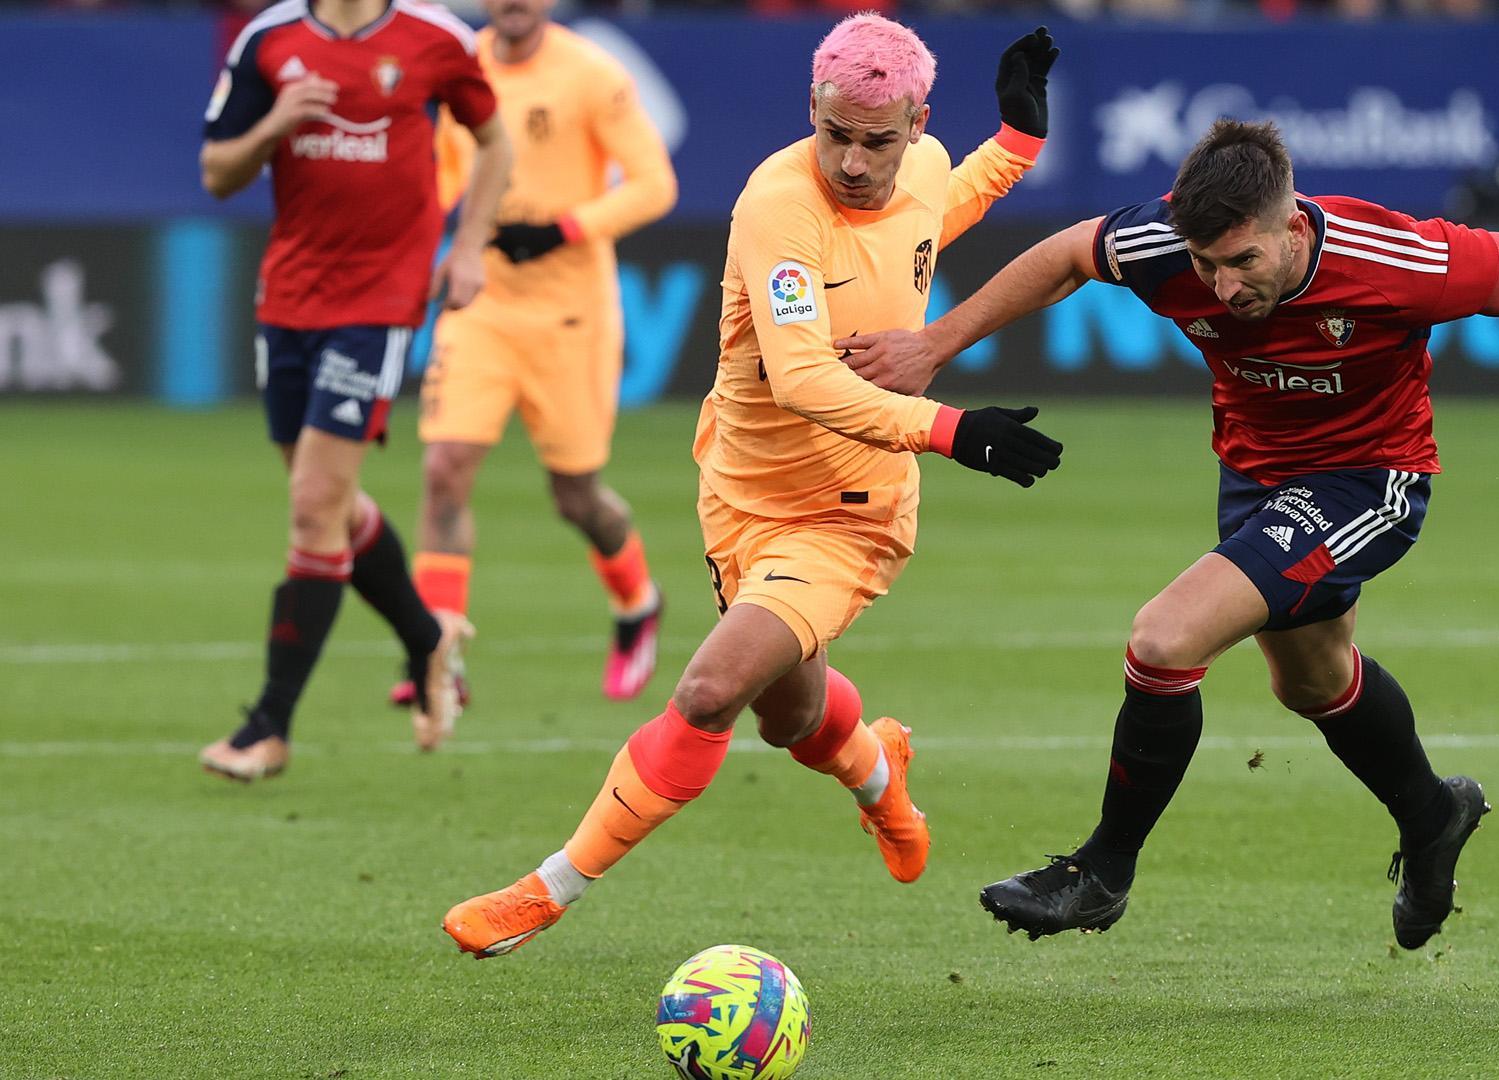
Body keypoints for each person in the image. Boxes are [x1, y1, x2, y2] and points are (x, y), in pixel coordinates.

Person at [837, 119, 1499, 949]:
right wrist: (935, 342)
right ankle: (1432, 812)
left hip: (1373, 482)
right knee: (1313, 682)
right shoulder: (1167, 246)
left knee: (1163, 638)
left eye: (1241, 262)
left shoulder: (1404, 260)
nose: (1223, 288)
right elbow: (1066, 255)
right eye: (1204, 264)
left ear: (1291, 226)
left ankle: (1100, 871)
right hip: (1257, 482)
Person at [441, 15, 1065, 958]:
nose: (854, 163)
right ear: (811, 109)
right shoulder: (778, 205)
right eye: (836, 135)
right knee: (794, 716)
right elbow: (804, 379)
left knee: (708, 691)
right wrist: (953, 430)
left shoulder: (922, 163)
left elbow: (946, 196)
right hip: (742, 496)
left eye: (880, 141)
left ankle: (548, 890)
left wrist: (1020, 138)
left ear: (917, 123)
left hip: (849, 514)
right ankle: (879, 773)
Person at [196, 0, 513, 778]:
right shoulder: (269, 40)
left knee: (312, 508)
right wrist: (276, 125)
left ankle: (267, 729)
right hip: (289, 298)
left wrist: (468, 247)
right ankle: (429, 638)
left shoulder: (436, 38)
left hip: (379, 304)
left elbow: (495, 141)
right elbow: (215, 173)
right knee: (329, 504)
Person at [398, 0, 679, 708]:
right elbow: (443, 176)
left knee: (576, 496)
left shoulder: (591, 74)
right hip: (484, 300)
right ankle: (438, 655)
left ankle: (638, 600)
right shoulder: (462, 70)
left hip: (570, 314)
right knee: (445, 467)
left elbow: (654, 184)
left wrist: (564, 228)